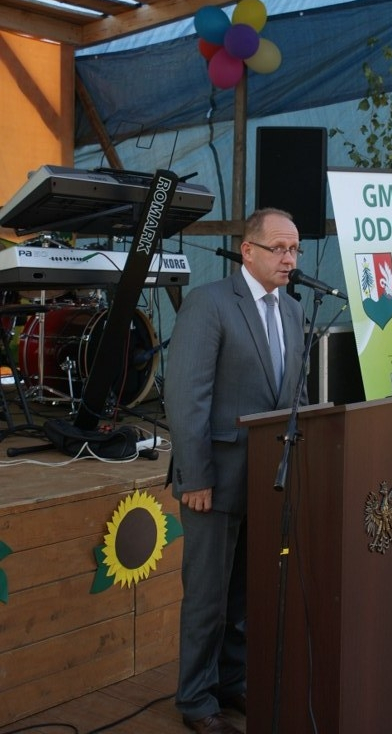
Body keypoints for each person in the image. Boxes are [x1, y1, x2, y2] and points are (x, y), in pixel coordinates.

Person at [164, 208, 308, 734]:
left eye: (294, 249)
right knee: (207, 598)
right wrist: (195, 477)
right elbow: (187, 397)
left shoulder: (293, 311)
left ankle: (231, 681)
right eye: (279, 248)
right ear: (248, 251)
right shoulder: (209, 304)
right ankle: (196, 700)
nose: (289, 259)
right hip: (215, 480)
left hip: (267, 481)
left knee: (244, 594)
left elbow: (292, 397)